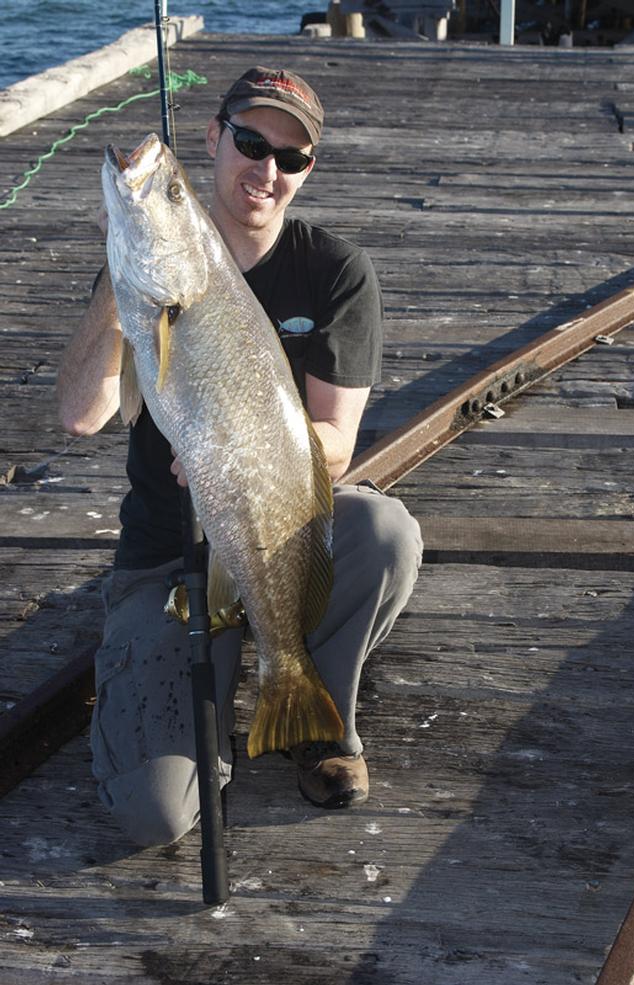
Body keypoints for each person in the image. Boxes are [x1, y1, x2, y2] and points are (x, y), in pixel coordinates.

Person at [57, 66, 423, 848]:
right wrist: (117, 291)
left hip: (278, 524)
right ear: (215, 139)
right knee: (153, 815)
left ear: (307, 172)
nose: (267, 170)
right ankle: (190, 693)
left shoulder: (336, 273)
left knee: (385, 533)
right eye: (252, 143)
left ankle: (311, 706)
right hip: (167, 558)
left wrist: (242, 454)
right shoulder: (142, 278)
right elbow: (83, 415)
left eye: (290, 158)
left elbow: (336, 440)